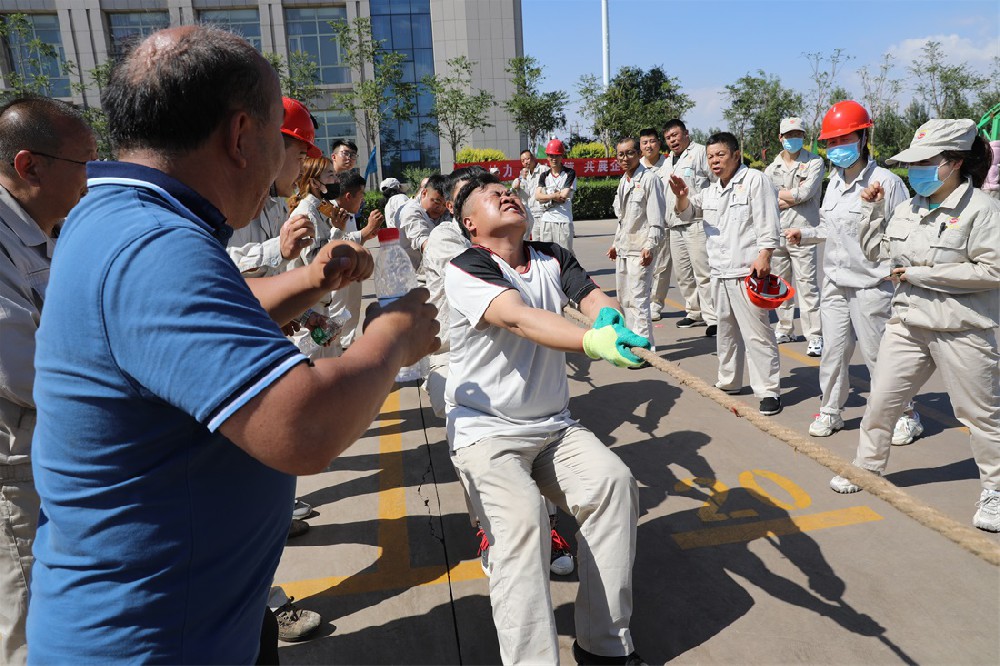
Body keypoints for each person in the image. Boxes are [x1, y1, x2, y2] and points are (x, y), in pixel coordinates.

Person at [27, 26, 439, 663]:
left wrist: (309, 279)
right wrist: (395, 333)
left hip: (191, 622)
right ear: (242, 134)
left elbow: (202, 321)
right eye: (282, 138)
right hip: (151, 642)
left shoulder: (121, 217)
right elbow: (300, 427)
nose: (287, 161)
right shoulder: (153, 247)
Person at [445, 171, 647, 664]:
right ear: (471, 224)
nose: (508, 195)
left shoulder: (552, 257)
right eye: (494, 196)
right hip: (485, 431)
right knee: (521, 524)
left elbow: (590, 296)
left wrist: (610, 319)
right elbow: (516, 316)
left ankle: (603, 645)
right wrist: (589, 341)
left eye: (509, 191)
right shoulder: (467, 267)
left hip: (553, 427)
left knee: (615, 486)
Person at [829, 119, 1000, 533]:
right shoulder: (907, 207)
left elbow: (992, 270)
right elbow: (879, 254)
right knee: (882, 400)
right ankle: (867, 467)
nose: (917, 170)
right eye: (914, 163)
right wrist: (870, 212)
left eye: (926, 162)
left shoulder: (982, 209)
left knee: (980, 415)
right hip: (907, 322)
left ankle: (995, 490)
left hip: (962, 328)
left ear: (954, 162)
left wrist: (923, 275)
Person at [0, 96, 96, 666]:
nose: (93, 175)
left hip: (60, 448)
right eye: (83, 162)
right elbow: (24, 368)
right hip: (17, 465)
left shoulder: (54, 229)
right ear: (29, 166)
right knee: (29, 613)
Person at [785, 101, 922, 442]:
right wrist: (808, 234)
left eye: (843, 139)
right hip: (835, 281)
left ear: (862, 138)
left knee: (880, 356)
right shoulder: (833, 182)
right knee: (832, 352)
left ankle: (905, 415)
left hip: (872, 285)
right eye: (831, 142)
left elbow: (902, 233)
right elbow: (833, 229)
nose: (837, 147)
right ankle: (831, 410)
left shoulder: (886, 183)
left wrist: (901, 276)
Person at [671, 132, 783, 416]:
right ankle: (730, 380)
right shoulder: (710, 190)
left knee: (757, 334)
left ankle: (768, 390)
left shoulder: (755, 181)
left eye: (720, 155)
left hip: (747, 271)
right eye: (710, 156)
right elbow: (688, 212)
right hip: (719, 273)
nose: (714, 161)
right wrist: (681, 197)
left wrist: (765, 255)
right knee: (726, 331)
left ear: (736, 154)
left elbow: (768, 221)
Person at [764, 117, 823, 355]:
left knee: (808, 286)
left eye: (797, 134)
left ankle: (815, 335)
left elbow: (807, 192)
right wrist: (792, 197)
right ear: (780, 138)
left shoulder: (815, 162)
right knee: (781, 284)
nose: (793, 139)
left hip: (803, 232)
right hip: (778, 233)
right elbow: (768, 198)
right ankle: (785, 327)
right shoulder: (771, 168)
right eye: (788, 135)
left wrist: (783, 197)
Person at [609, 136, 666, 345]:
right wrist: (615, 244)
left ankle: (644, 347)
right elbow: (623, 220)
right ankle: (633, 343)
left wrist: (650, 246)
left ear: (639, 154)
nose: (625, 158)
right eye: (621, 154)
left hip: (641, 250)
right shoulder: (624, 181)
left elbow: (657, 219)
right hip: (625, 249)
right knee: (624, 300)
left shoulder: (650, 180)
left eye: (630, 153)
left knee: (639, 300)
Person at [662, 119, 717, 335]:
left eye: (675, 135)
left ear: (686, 133)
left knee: (703, 272)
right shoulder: (668, 161)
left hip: (696, 221)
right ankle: (695, 312)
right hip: (675, 225)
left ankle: (713, 317)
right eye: (668, 138)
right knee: (684, 274)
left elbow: (716, 181)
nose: (672, 140)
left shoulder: (701, 153)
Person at [637, 128, 674, 324]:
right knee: (641, 264)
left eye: (652, 141)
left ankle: (655, 303)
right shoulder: (636, 166)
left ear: (659, 143)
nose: (648, 146)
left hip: (663, 224)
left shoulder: (668, 164)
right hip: (641, 226)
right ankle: (641, 300)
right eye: (644, 142)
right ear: (640, 146)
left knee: (661, 267)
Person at [396, 173, 449, 270]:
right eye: (437, 202)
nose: (440, 208)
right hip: (408, 273)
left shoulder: (444, 213)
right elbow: (422, 240)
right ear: (424, 193)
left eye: (445, 205)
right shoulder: (411, 211)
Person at [534, 138, 576, 251]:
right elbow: (537, 196)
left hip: (563, 220)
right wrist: (553, 196)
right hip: (546, 220)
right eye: (551, 156)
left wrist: (546, 197)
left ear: (562, 156)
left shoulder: (570, 173)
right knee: (547, 255)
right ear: (547, 157)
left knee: (565, 254)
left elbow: (563, 195)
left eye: (557, 155)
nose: (554, 159)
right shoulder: (544, 175)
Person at [510, 148, 548, 240]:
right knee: (536, 242)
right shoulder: (527, 176)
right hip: (533, 215)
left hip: (544, 213)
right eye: (523, 161)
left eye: (527, 159)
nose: (526, 162)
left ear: (533, 158)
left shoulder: (544, 170)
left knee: (546, 242)